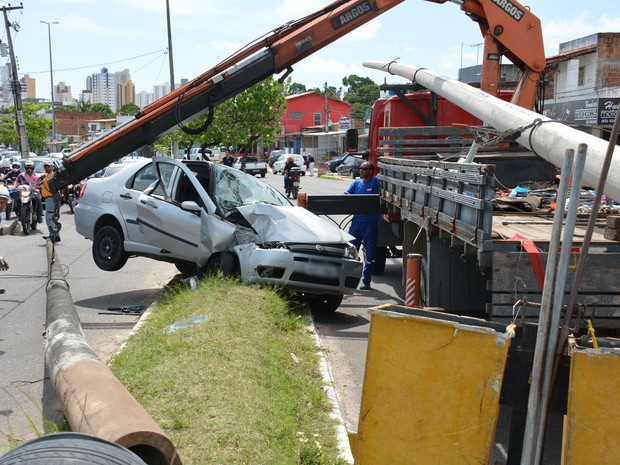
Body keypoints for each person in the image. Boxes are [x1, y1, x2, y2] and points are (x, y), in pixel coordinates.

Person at [345, 161, 379, 290]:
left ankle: (366, 281)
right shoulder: (355, 183)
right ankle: (348, 280)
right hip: (356, 223)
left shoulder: (375, 182)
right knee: (351, 252)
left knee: (370, 254)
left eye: (364, 168)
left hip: (370, 223)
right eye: (360, 168)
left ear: (371, 171)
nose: (361, 171)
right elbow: (346, 196)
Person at [39, 161, 61, 242]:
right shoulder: (46, 176)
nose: (46, 168)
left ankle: (52, 234)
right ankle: (57, 236)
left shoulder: (52, 175)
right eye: (45, 166)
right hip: (52, 198)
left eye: (48, 166)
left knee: (49, 217)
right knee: (53, 217)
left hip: (51, 198)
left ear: (52, 167)